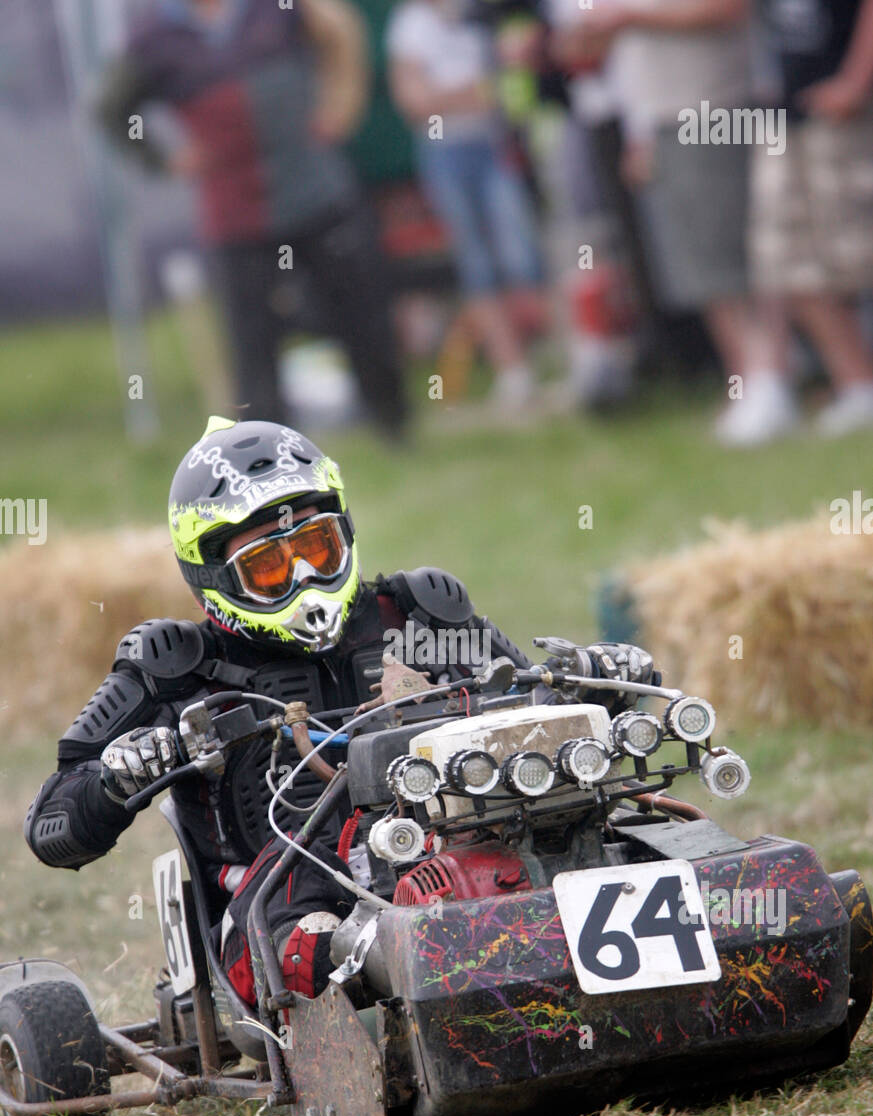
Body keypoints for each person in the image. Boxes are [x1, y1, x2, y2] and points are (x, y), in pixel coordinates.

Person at [24, 416, 653, 1005]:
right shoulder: (179, 667)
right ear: (213, 571)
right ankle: (408, 972)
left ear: (344, 532)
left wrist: (594, 686)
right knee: (310, 940)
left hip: (450, 848)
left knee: (608, 832)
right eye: (271, 566)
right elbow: (50, 827)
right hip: (286, 900)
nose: (304, 580)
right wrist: (117, 778)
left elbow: (522, 703)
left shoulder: (415, 614)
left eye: (317, 549)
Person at [97, 0, 407, 436]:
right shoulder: (155, 37)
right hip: (236, 215)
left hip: (316, 191)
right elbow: (110, 108)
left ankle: (392, 423)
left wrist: (343, 100)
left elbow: (341, 32)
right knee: (253, 345)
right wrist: (164, 160)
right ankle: (267, 454)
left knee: (360, 312)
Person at [555, 0, 796, 446]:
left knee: (738, 252)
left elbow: (727, 8)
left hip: (716, 106)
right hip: (664, 115)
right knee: (701, 260)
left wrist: (627, 14)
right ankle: (745, 380)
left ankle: (772, 378)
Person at [386, 0, 547, 406]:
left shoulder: (483, 15)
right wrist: (476, 93)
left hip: (495, 144)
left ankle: (551, 356)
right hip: (447, 153)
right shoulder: (411, 25)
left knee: (524, 254)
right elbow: (415, 102)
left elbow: (512, 80)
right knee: (477, 261)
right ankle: (512, 369)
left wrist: (468, 94)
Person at [750, 0, 873, 435]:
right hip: (785, 113)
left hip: (844, 112)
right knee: (790, 261)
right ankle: (858, 385)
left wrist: (856, 81)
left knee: (857, 254)